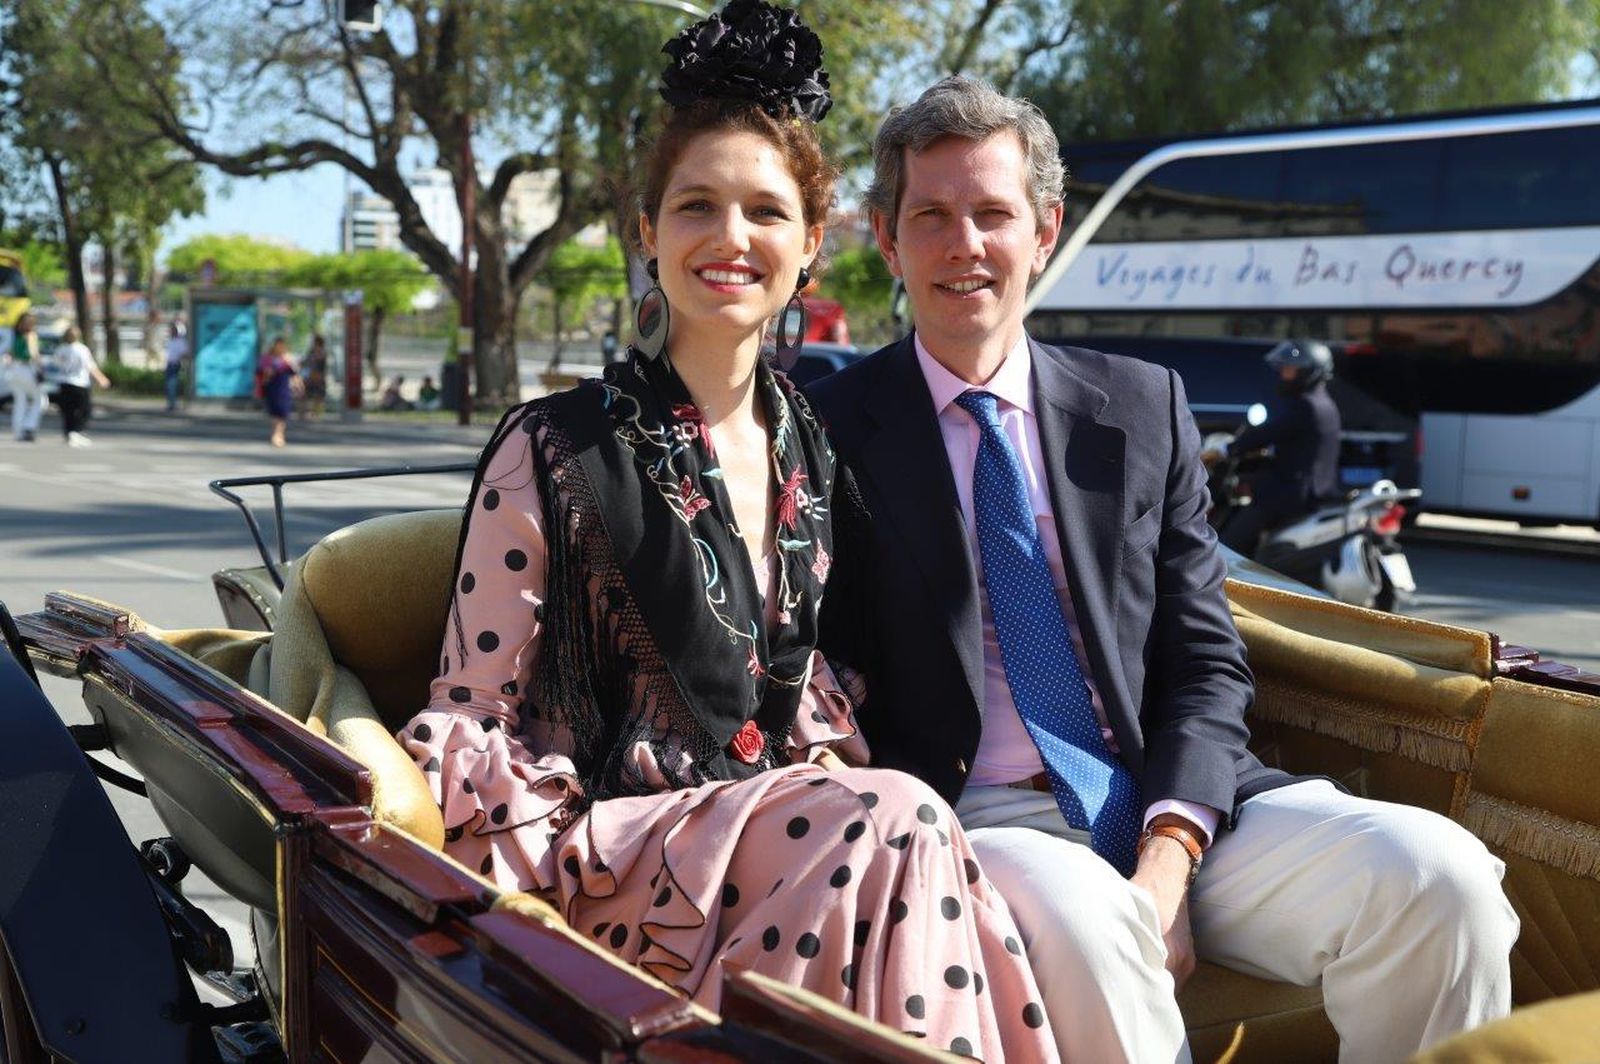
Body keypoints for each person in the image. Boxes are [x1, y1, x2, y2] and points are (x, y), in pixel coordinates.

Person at [808, 75, 1518, 1064]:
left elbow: (1203, 657)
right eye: (930, 215)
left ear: (1045, 229)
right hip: (977, 820)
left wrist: (1168, 855)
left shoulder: (1141, 406)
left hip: (1176, 804)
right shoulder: (822, 432)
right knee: (1094, 921)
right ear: (887, 240)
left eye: (992, 213)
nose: (963, 244)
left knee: (1440, 879)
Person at [395, 9, 1055, 1059]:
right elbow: (472, 714)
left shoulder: (816, 447)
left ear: (808, 248)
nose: (730, 236)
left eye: (765, 210)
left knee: (896, 822)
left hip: (798, 846)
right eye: (696, 204)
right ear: (646, 231)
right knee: (893, 818)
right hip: (609, 866)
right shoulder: (554, 446)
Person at [1209, 340, 1343, 555]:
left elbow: (1269, 433)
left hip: (1291, 494)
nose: (1283, 374)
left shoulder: (1307, 406)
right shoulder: (1326, 403)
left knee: (1228, 548)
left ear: (1308, 372)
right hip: (1316, 491)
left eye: (1290, 369)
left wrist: (1228, 448)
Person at [53, 325, 110, 447]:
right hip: (79, 383)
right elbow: (90, 366)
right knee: (85, 409)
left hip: (63, 382)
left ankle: (69, 433)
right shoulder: (81, 349)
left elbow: (56, 364)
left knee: (68, 410)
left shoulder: (60, 349)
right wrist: (101, 379)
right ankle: (76, 431)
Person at [5, 312, 44, 442]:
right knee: (41, 399)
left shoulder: (13, 335)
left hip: (14, 370)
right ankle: (29, 425)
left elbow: (9, 353)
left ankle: (17, 431)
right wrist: (41, 368)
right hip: (27, 369)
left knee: (20, 402)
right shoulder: (31, 335)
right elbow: (34, 354)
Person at [256, 336, 298, 447]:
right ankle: (277, 434)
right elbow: (259, 372)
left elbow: (294, 373)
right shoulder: (267, 358)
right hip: (272, 388)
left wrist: (298, 385)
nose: (280, 347)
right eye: (278, 345)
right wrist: (267, 374)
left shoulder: (288, 358)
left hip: (284, 388)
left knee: (283, 412)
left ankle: (278, 434)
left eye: (282, 345)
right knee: (275, 412)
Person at [301, 334, 329, 419]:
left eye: (315, 342)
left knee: (318, 397)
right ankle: (304, 413)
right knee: (306, 395)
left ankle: (316, 414)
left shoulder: (322, 352)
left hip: (318, 377)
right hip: (311, 376)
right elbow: (305, 363)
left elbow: (323, 365)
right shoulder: (311, 352)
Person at [163, 322, 188, 412]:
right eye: (171, 331)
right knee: (168, 385)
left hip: (175, 364)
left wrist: (180, 359)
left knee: (172, 385)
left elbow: (185, 353)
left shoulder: (180, 342)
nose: (171, 332)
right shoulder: (170, 341)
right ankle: (170, 403)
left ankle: (173, 404)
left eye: (173, 331)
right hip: (169, 364)